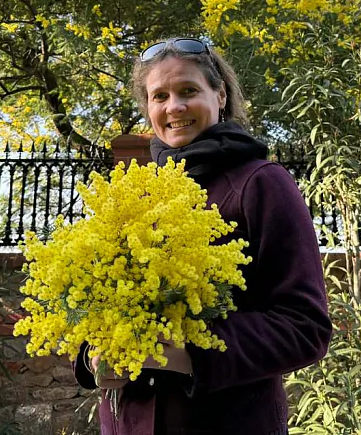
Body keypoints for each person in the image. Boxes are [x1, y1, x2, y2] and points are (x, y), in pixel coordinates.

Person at [74, 37, 332, 435]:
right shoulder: (134, 192)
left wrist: (187, 352)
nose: (174, 107)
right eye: (159, 96)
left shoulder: (261, 183)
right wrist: (94, 356)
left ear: (220, 94)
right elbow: (95, 304)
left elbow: (305, 326)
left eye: (188, 91)